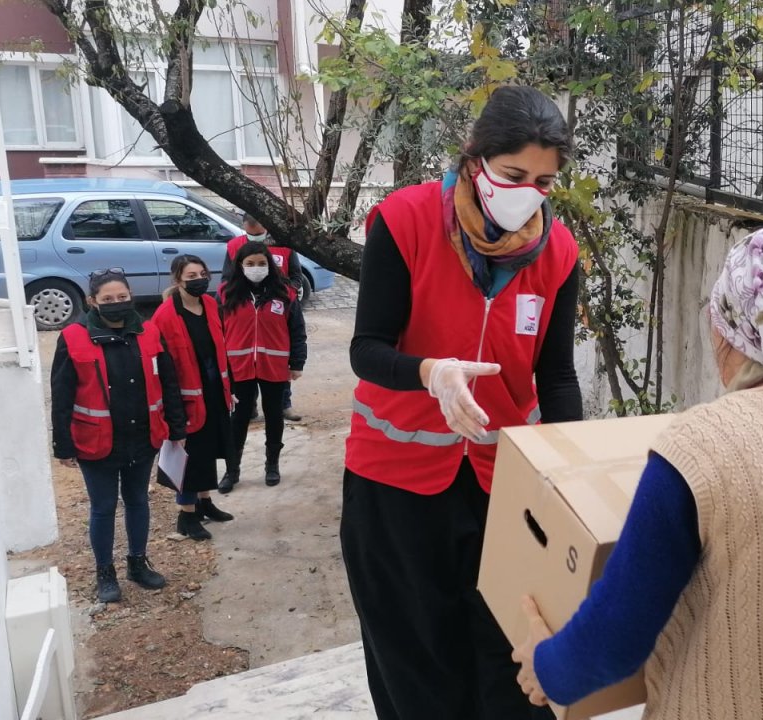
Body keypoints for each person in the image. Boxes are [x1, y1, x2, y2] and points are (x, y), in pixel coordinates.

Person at [512, 226, 763, 720]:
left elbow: (614, 639)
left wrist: (545, 666)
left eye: (722, 308)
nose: (714, 327)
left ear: (753, 321)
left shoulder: (706, 445)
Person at [341, 86, 583, 720]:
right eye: (514, 175)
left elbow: (556, 376)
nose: (529, 191)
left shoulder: (556, 253)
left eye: (544, 180)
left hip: (503, 482)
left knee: (508, 649)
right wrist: (429, 373)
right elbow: (367, 349)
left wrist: (572, 470)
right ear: (476, 158)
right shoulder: (405, 220)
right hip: (395, 482)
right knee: (416, 654)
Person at [51, 268, 188, 603]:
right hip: (96, 442)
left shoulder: (149, 331)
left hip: (143, 437)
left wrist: (177, 427)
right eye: (107, 299)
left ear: (130, 296)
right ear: (92, 301)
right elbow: (62, 394)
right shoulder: (73, 337)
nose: (116, 304)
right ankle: (105, 572)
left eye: (122, 298)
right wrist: (62, 444)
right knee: (103, 507)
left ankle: (137, 564)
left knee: (139, 500)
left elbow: (168, 383)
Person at [152, 255, 235, 539]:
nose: (199, 279)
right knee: (190, 456)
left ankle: (205, 502)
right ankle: (186, 515)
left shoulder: (210, 305)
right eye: (191, 276)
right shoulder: (164, 316)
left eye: (202, 273)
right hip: (186, 399)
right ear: (178, 280)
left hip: (213, 391)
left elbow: (220, 348)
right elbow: (163, 367)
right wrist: (171, 409)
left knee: (208, 450)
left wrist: (229, 388)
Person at [218, 242, 308, 493]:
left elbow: (297, 330)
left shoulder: (285, 293)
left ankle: (272, 465)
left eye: (261, 263)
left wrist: (297, 362)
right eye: (250, 264)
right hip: (239, 367)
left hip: (274, 367)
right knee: (239, 418)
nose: (256, 268)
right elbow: (218, 332)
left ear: (270, 265)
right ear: (240, 266)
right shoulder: (226, 294)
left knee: (274, 416)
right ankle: (232, 470)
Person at [224, 213, 306, 422]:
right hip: (247, 307)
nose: (255, 239)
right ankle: (248, 408)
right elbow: (227, 278)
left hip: (277, 308)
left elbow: (297, 277)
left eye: (259, 235)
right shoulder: (234, 247)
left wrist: (286, 294)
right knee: (247, 368)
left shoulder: (285, 246)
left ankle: (284, 405)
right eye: (251, 236)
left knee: (278, 362)